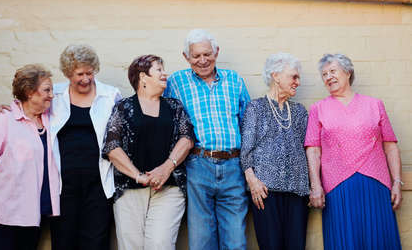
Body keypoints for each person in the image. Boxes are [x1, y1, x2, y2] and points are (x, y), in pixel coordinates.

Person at [0, 44, 121, 250]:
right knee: (64, 240)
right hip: (62, 183)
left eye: (90, 72)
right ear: (68, 73)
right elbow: (29, 109)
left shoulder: (110, 95)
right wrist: (10, 109)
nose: (86, 78)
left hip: (99, 181)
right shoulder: (56, 94)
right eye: (80, 73)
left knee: (97, 241)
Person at [164, 29, 251, 250]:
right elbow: (167, 123)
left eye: (207, 54)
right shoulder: (176, 82)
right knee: (201, 240)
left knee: (236, 241)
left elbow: (248, 125)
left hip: (233, 166)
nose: (202, 60)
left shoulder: (234, 80)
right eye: (196, 56)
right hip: (197, 165)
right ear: (186, 57)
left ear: (216, 52)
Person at [305, 53, 403, 249]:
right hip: (337, 187)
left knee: (378, 238)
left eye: (333, 71)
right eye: (324, 74)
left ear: (348, 72)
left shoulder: (375, 104)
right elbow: (313, 150)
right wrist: (316, 186)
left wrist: (397, 182)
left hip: (375, 184)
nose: (328, 77)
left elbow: (390, 145)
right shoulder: (318, 109)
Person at [102, 54, 195, 250]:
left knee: (160, 244)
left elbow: (187, 139)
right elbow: (112, 147)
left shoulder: (174, 106)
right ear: (143, 77)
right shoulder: (123, 107)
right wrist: (138, 176)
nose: (165, 74)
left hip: (169, 187)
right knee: (131, 245)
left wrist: (166, 168)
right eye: (159, 70)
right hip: (130, 188)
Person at [0, 64, 60, 250]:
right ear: (30, 92)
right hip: (2, 213)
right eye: (47, 90)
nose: (51, 95)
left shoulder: (50, 119)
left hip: (32, 213)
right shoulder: (3, 120)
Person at [240, 52, 309, 250]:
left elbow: (309, 149)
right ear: (276, 76)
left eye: (298, 77)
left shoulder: (299, 111)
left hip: (297, 192)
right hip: (265, 192)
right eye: (293, 76)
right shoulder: (256, 107)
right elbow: (246, 151)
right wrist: (252, 182)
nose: (298, 82)